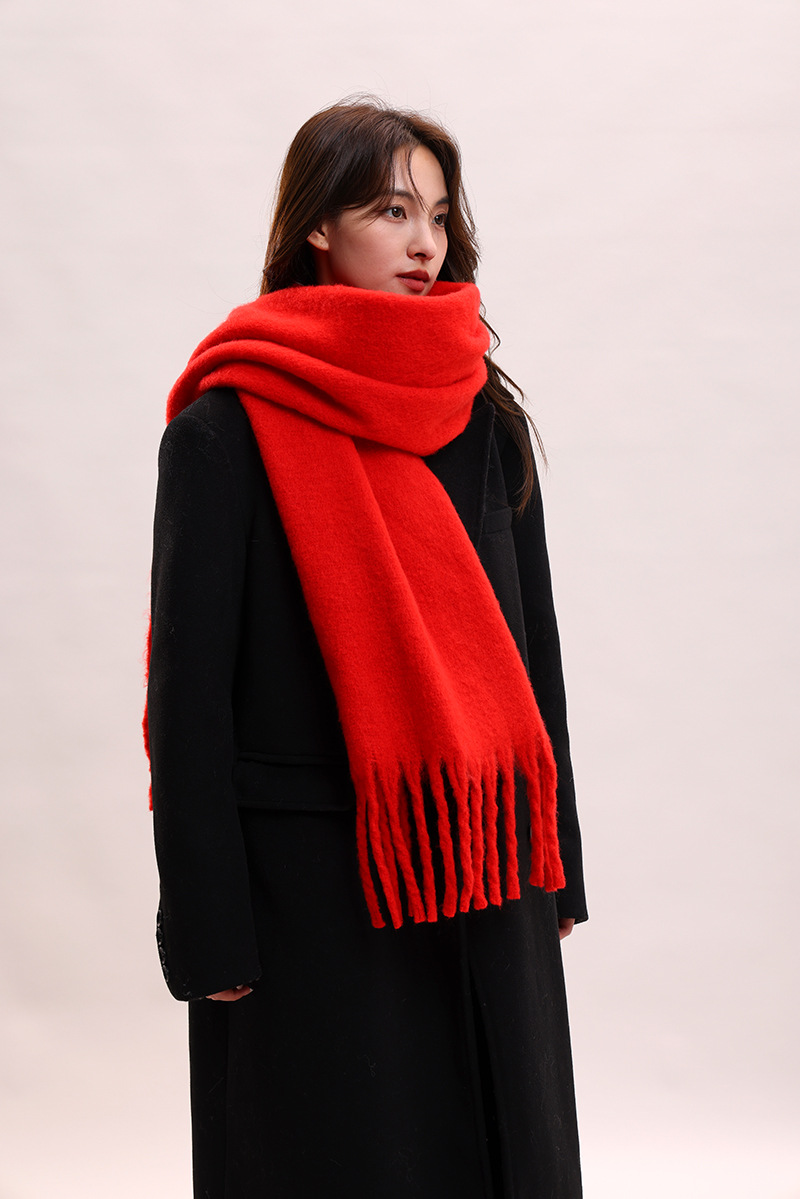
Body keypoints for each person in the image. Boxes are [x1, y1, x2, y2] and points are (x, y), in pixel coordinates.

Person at [146, 98, 587, 1199]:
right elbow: (188, 699)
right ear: (316, 225)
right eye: (391, 211)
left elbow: (532, 649)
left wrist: (558, 861)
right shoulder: (225, 430)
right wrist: (208, 924)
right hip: (311, 894)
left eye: (437, 214)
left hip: (481, 855)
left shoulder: (482, 416)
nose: (424, 241)